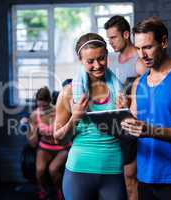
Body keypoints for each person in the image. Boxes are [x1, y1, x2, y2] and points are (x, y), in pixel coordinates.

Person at [121, 17, 171, 200]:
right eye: (138, 48)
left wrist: (150, 131)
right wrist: (120, 113)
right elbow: (133, 124)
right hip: (145, 176)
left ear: (164, 42)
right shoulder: (138, 83)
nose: (142, 55)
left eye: (148, 47)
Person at [54, 33, 127, 200]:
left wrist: (122, 115)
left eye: (101, 58)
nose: (97, 65)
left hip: (113, 169)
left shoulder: (120, 91)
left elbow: (127, 135)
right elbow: (58, 139)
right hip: (79, 171)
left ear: (107, 55)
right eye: (90, 61)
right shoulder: (69, 93)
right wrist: (75, 118)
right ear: (80, 60)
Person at [104, 15, 147, 200]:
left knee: (131, 178)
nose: (111, 43)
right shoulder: (110, 61)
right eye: (108, 39)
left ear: (126, 34)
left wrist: (129, 100)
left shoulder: (141, 60)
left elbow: (150, 95)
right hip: (114, 124)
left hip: (134, 125)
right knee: (116, 178)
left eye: (113, 38)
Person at [25, 86, 71, 200]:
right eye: (39, 105)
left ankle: (59, 190)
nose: (42, 108)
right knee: (40, 171)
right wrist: (31, 129)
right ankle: (43, 190)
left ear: (50, 102)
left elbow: (68, 130)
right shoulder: (35, 115)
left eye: (44, 106)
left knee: (53, 169)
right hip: (45, 147)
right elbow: (33, 142)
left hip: (62, 147)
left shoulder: (59, 111)